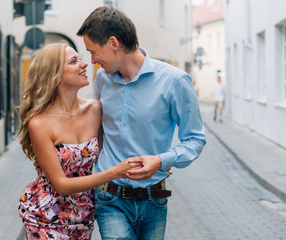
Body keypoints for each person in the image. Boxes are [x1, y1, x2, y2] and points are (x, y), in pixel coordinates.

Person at [77, 6, 206, 239]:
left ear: (114, 44)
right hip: (110, 197)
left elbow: (195, 139)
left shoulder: (175, 81)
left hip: (154, 200)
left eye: (93, 52)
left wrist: (160, 160)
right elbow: (100, 130)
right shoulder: (103, 79)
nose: (92, 60)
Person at [17, 42, 139, 240]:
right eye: (74, 61)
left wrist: (152, 161)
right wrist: (116, 172)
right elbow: (62, 185)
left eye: (80, 59)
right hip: (45, 217)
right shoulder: (39, 123)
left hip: (82, 215)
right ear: (55, 75)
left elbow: (115, 147)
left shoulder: (96, 109)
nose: (84, 64)